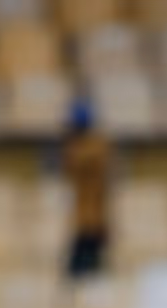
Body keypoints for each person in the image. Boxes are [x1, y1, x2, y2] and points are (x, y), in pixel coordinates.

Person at [62, 98, 111, 280]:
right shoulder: (80, 145)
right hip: (84, 211)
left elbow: (78, 162)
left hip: (92, 214)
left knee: (90, 258)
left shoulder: (93, 146)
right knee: (79, 263)